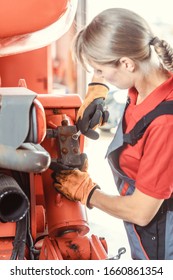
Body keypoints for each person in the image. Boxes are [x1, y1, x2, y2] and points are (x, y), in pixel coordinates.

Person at [51, 8, 173, 260]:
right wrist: (98, 87)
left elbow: (141, 212)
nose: (99, 76)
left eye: (100, 69)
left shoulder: (166, 123)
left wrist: (88, 193)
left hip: (162, 240)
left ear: (127, 63)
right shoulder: (144, 84)